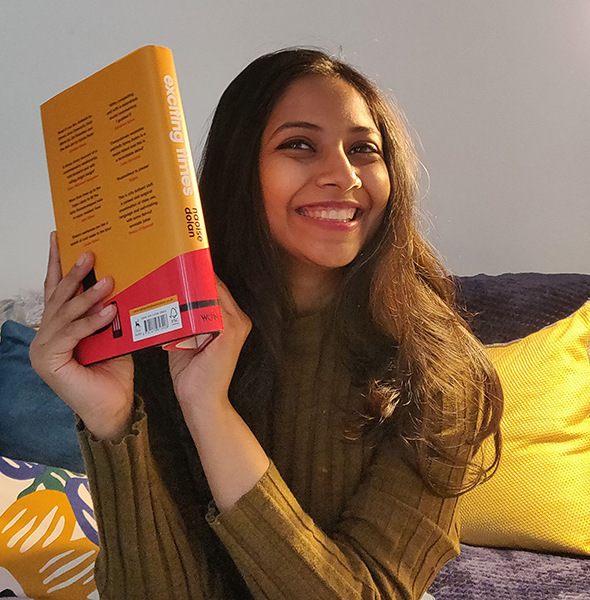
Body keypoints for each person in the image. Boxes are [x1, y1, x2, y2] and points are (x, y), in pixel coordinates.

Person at [30, 47, 503, 600]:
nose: (344, 175)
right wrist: (111, 420)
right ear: (240, 171)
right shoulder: (170, 337)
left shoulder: (440, 373)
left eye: (363, 150)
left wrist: (211, 411)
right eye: (299, 145)